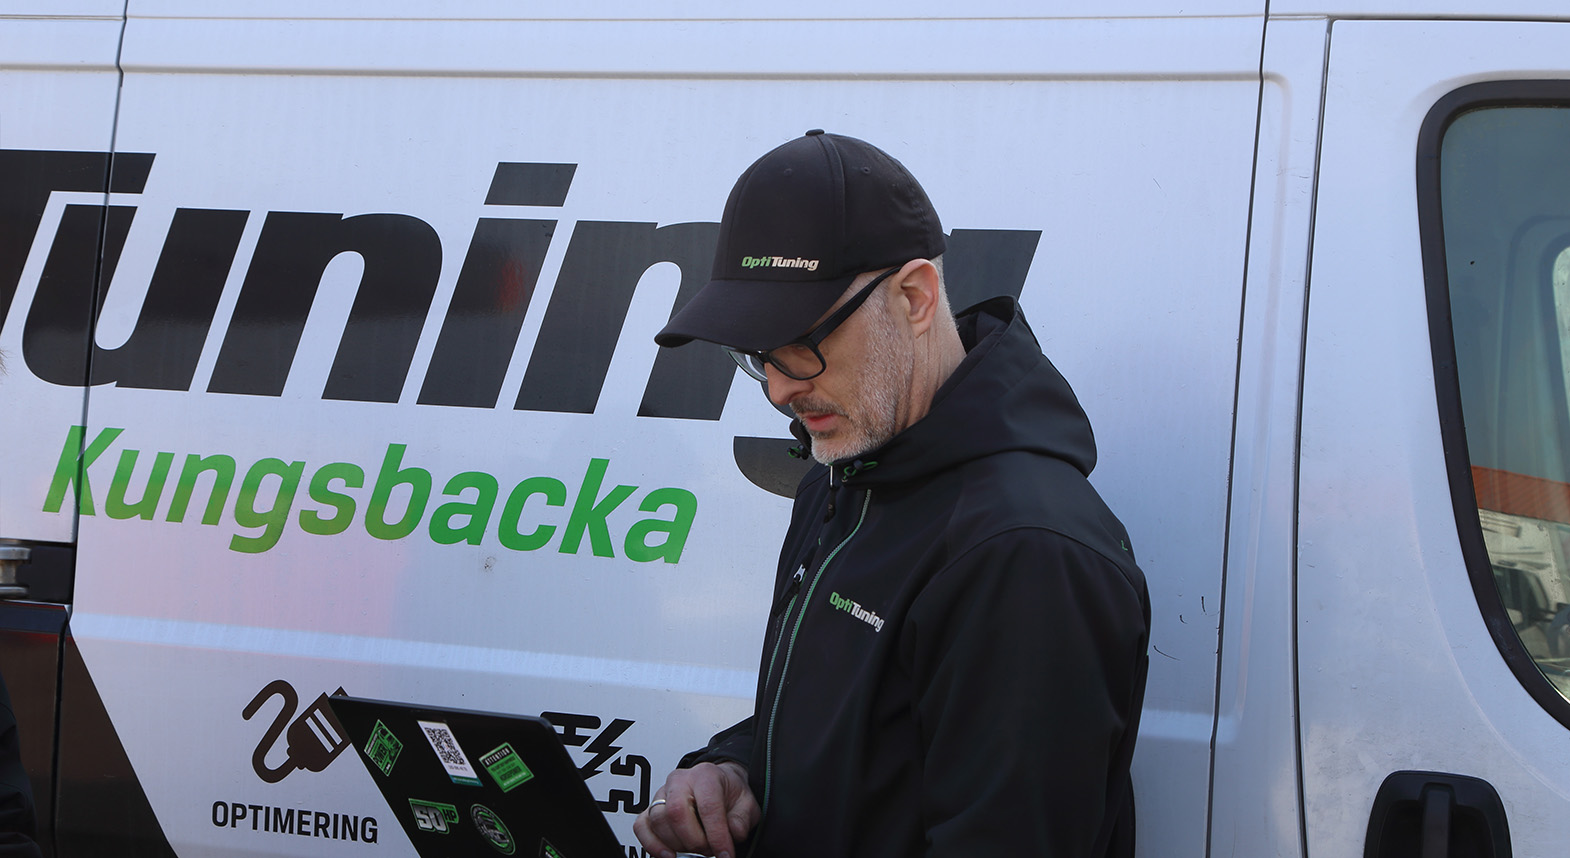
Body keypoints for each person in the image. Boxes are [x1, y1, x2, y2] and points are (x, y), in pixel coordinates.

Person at [636, 130, 1151, 858]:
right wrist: (732, 770)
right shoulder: (840, 478)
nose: (779, 389)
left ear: (914, 297)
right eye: (757, 354)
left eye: (800, 345)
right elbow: (847, 729)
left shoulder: (1025, 553)